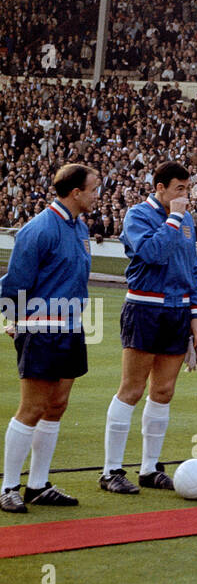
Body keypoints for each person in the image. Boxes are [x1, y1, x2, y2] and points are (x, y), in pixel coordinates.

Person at [1, 164, 99, 512]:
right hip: (40, 328)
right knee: (32, 408)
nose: (96, 196)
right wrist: (14, 320)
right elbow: (15, 283)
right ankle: (8, 486)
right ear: (75, 193)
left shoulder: (80, 229)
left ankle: (38, 485)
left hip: (71, 327)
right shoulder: (38, 229)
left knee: (57, 406)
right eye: (93, 189)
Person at [101, 160, 197, 495]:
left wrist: (196, 313)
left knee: (163, 391)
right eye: (179, 189)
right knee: (131, 389)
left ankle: (148, 468)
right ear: (160, 188)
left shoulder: (187, 219)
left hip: (177, 312)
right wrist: (174, 217)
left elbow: (192, 267)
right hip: (145, 308)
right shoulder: (138, 216)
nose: (185, 197)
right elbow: (153, 253)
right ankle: (111, 470)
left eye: (187, 190)